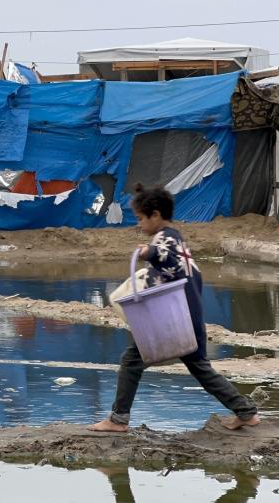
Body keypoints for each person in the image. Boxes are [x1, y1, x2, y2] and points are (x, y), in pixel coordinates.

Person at [90, 184, 259, 433]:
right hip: (190, 317)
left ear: (155, 215)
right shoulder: (179, 240)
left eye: (140, 218)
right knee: (200, 367)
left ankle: (117, 420)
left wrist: (149, 252)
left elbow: (164, 255)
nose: (138, 224)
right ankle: (245, 412)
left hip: (172, 319)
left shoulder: (166, 239)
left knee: (132, 360)